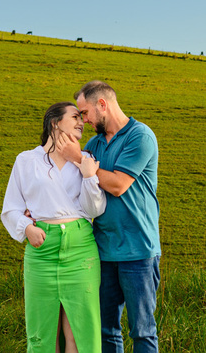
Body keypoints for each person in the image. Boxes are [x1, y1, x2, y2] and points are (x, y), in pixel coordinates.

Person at [63, 80, 161, 353]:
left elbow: (118, 185)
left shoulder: (140, 136)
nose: (84, 121)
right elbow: (70, 186)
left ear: (102, 105)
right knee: (106, 331)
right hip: (103, 251)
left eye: (85, 113)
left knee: (142, 331)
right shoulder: (94, 145)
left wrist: (78, 160)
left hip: (138, 251)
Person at [2, 102, 106, 353]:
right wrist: (27, 227)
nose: (82, 121)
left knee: (79, 333)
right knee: (43, 333)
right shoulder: (26, 160)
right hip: (41, 252)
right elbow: (11, 208)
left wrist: (89, 174)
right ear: (55, 122)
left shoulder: (86, 159)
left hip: (80, 252)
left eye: (82, 117)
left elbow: (94, 210)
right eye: (74, 116)